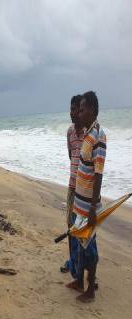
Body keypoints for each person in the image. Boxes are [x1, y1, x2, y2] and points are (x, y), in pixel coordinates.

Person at [68, 91, 106, 303]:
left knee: (89, 247)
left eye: (82, 110)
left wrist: (93, 207)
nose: (79, 113)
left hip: (88, 206)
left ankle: (90, 289)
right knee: (80, 244)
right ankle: (79, 282)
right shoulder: (87, 134)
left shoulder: (99, 136)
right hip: (79, 202)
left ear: (91, 110)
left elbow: (98, 173)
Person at [61, 95, 83, 277]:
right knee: (70, 226)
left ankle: (84, 265)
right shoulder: (69, 132)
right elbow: (71, 156)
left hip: (85, 191)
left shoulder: (90, 134)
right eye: (71, 109)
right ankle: (73, 261)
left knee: (84, 231)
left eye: (76, 109)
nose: (72, 113)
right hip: (71, 187)